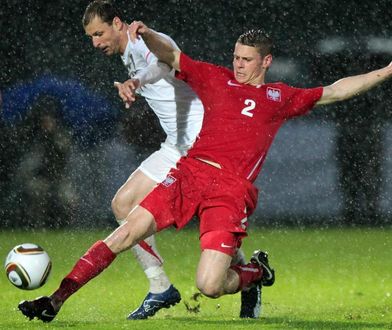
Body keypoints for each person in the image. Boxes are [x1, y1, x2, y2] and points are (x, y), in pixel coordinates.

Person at [18, 20, 392, 323]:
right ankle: (55, 300)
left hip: (230, 191)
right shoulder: (216, 78)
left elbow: (336, 90)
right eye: (236, 57)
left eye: (247, 59)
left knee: (211, 285)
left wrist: (386, 71)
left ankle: (255, 274)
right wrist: (148, 34)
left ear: (265, 62)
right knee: (124, 231)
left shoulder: (279, 98)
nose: (238, 64)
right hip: (188, 174)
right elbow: (174, 55)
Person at [79, 0, 250, 320]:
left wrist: (137, 82)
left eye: (99, 33)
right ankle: (160, 287)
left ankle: (248, 274)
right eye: (90, 37)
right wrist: (133, 81)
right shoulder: (128, 53)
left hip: (202, 147)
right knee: (123, 204)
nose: (95, 43)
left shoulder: (144, 40)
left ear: (117, 22)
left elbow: (163, 62)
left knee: (211, 224)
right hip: (175, 146)